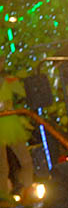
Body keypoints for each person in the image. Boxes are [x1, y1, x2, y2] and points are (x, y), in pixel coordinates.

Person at [0, 58, 34, 198]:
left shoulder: (8, 79)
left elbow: (24, 93)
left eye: (1, 61)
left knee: (26, 161)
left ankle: (28, 190)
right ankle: (3, 197)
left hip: (12, 125)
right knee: (3, 166)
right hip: (4, 125)